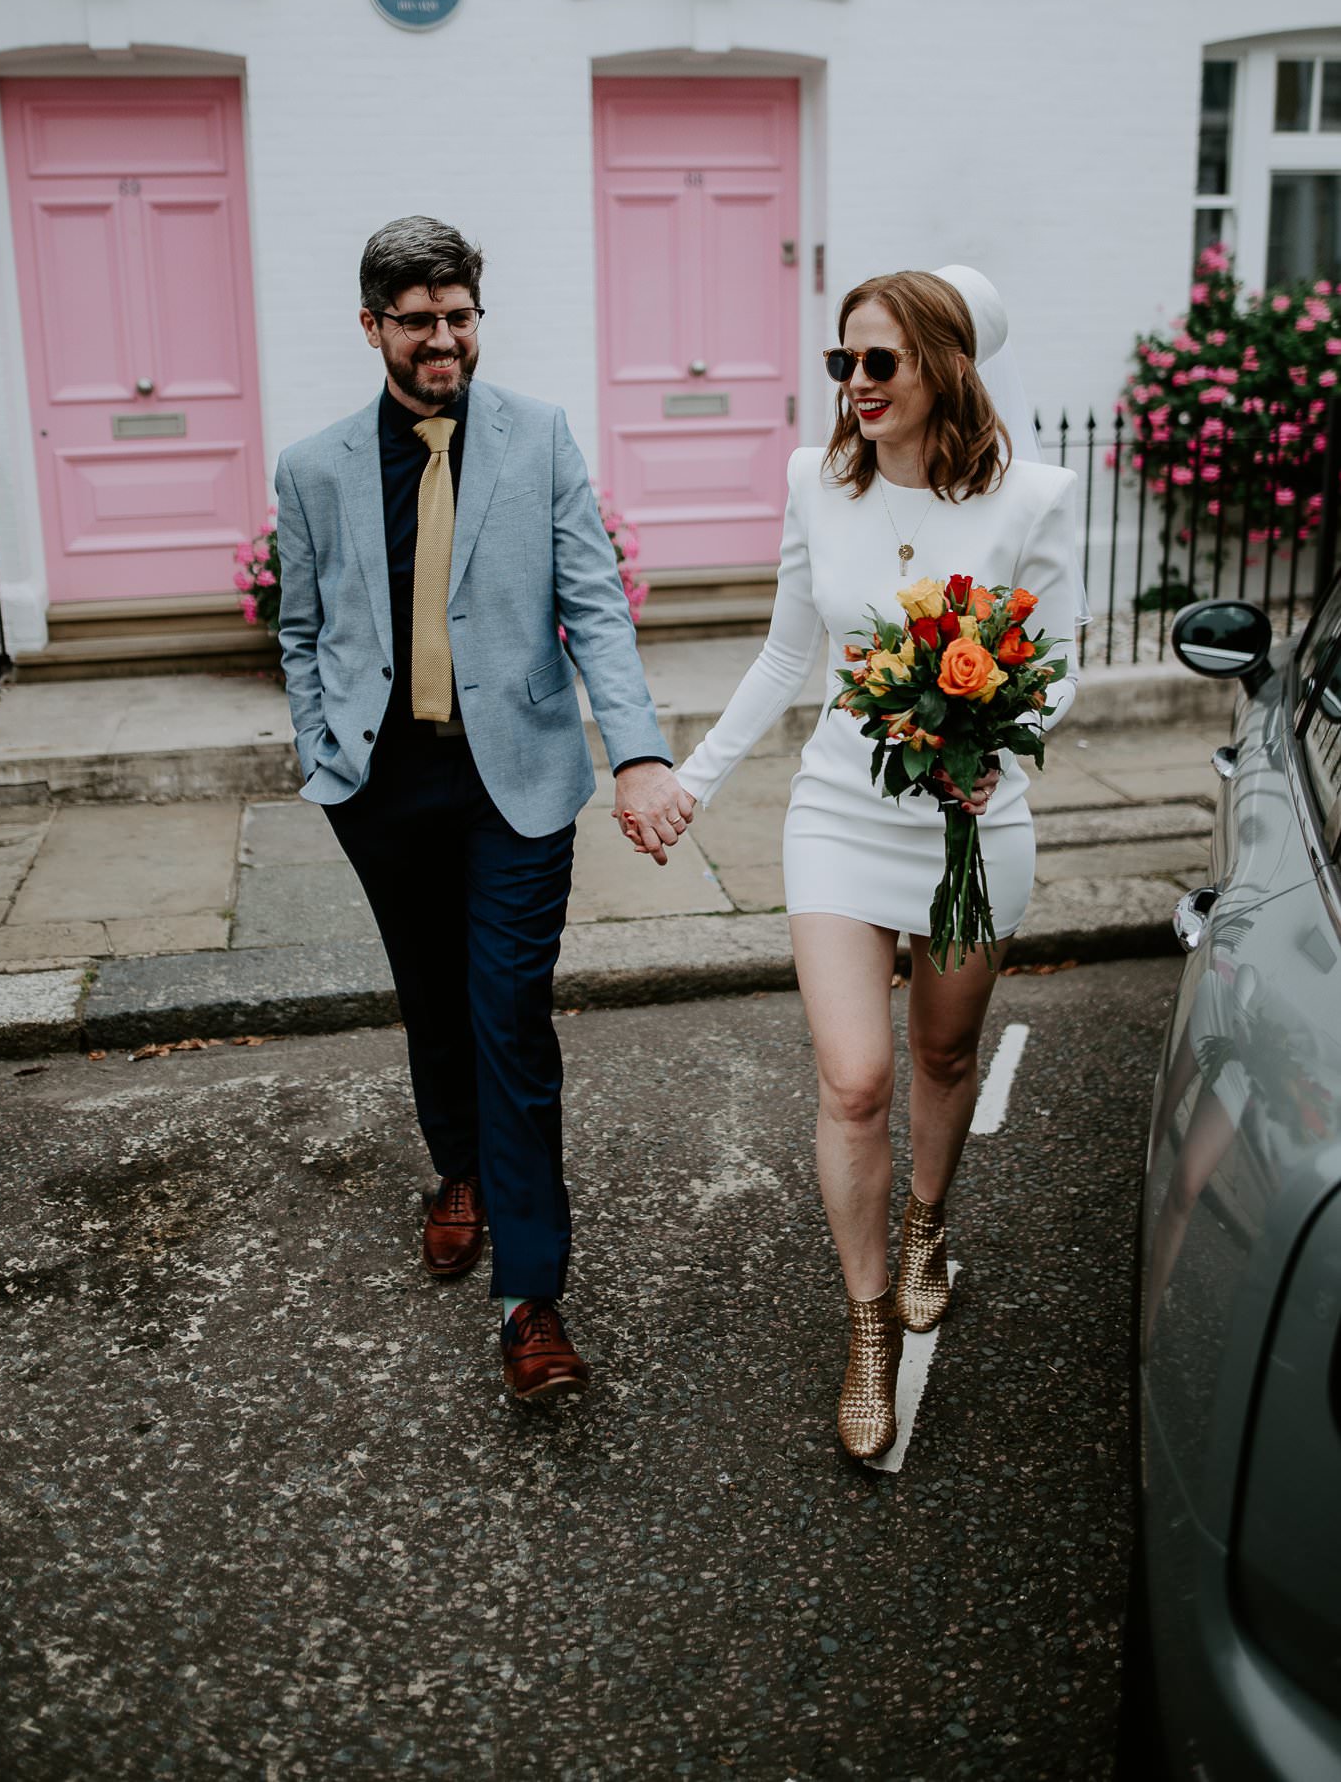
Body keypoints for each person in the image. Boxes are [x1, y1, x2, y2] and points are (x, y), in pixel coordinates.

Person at [659, 267, 1081, 1460]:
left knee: (944, 1050)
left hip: (971, 829)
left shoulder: (1033, 500)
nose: (853, 386)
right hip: (841, 811)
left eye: (877, 363)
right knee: (854, 1078)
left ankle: (927, 1225)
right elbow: (788, 651)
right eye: (841, 362)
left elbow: (1055, 666)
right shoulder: (814, 480)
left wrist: (1004, 755)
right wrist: (693, 778)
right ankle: (865, 1329)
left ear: (943, 364)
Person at [274, 216, 695, 1404]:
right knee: (432, 995)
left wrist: (638, 754)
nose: (444, 338)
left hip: (516, 784)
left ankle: (531, 1299)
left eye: (459, 315)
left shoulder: (539, 435)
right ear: (374, 329)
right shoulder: (314, 467)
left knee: (509, 1015)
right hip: (383, 787)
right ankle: (453, 1166)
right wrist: (319, 744)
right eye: (419, 321)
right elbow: (302, 630)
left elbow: (596, 607)